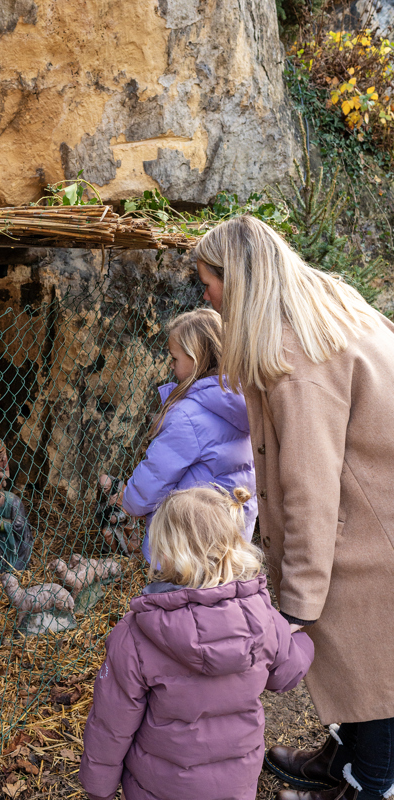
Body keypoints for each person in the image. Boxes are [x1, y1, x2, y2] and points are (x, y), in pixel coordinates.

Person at [194, 215, 394, 800]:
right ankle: (346, 760)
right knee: (363, 653)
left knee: (375, 664)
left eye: (209, 282)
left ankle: (373, 783)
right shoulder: (330, 302)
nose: (204, 295)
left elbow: (310, 489)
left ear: (240, 281)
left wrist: (298, 603)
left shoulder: (298, 364)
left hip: (371, 531)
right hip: (379, 504)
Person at [79, 486, 314, 800]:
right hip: (235, 785)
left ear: (164, 551)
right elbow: (286, 675)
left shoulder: (135, 636)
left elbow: (112, 724)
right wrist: (304, 639)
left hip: (159, 788)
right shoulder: (264, 619)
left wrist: (99, 788)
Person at [111, 307, 257, 561]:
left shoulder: (188, 415)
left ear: (196, 359)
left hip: (185, 545)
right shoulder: (245, 404)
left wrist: (130, 501)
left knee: (174, 598)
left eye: (175, 358)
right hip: (229, 538)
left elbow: (156, 473)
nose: (170, 364)